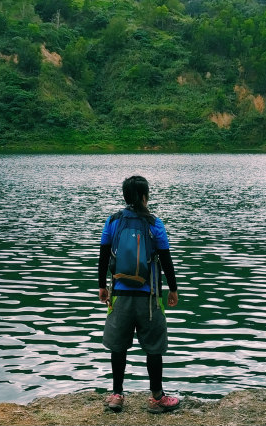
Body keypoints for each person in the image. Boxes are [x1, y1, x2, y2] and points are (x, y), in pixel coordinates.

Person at [97, 175, 180, 414]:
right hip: (150, 297)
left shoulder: (113, 221)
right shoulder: (155, 223)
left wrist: (102, 285)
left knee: (118, 347)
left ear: (125, 196)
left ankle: (116, 395)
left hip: (119, 295)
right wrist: (172, 289)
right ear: (145, 196)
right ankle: (157, 398)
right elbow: (166, 259)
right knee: (154, 347)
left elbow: (104, 256)